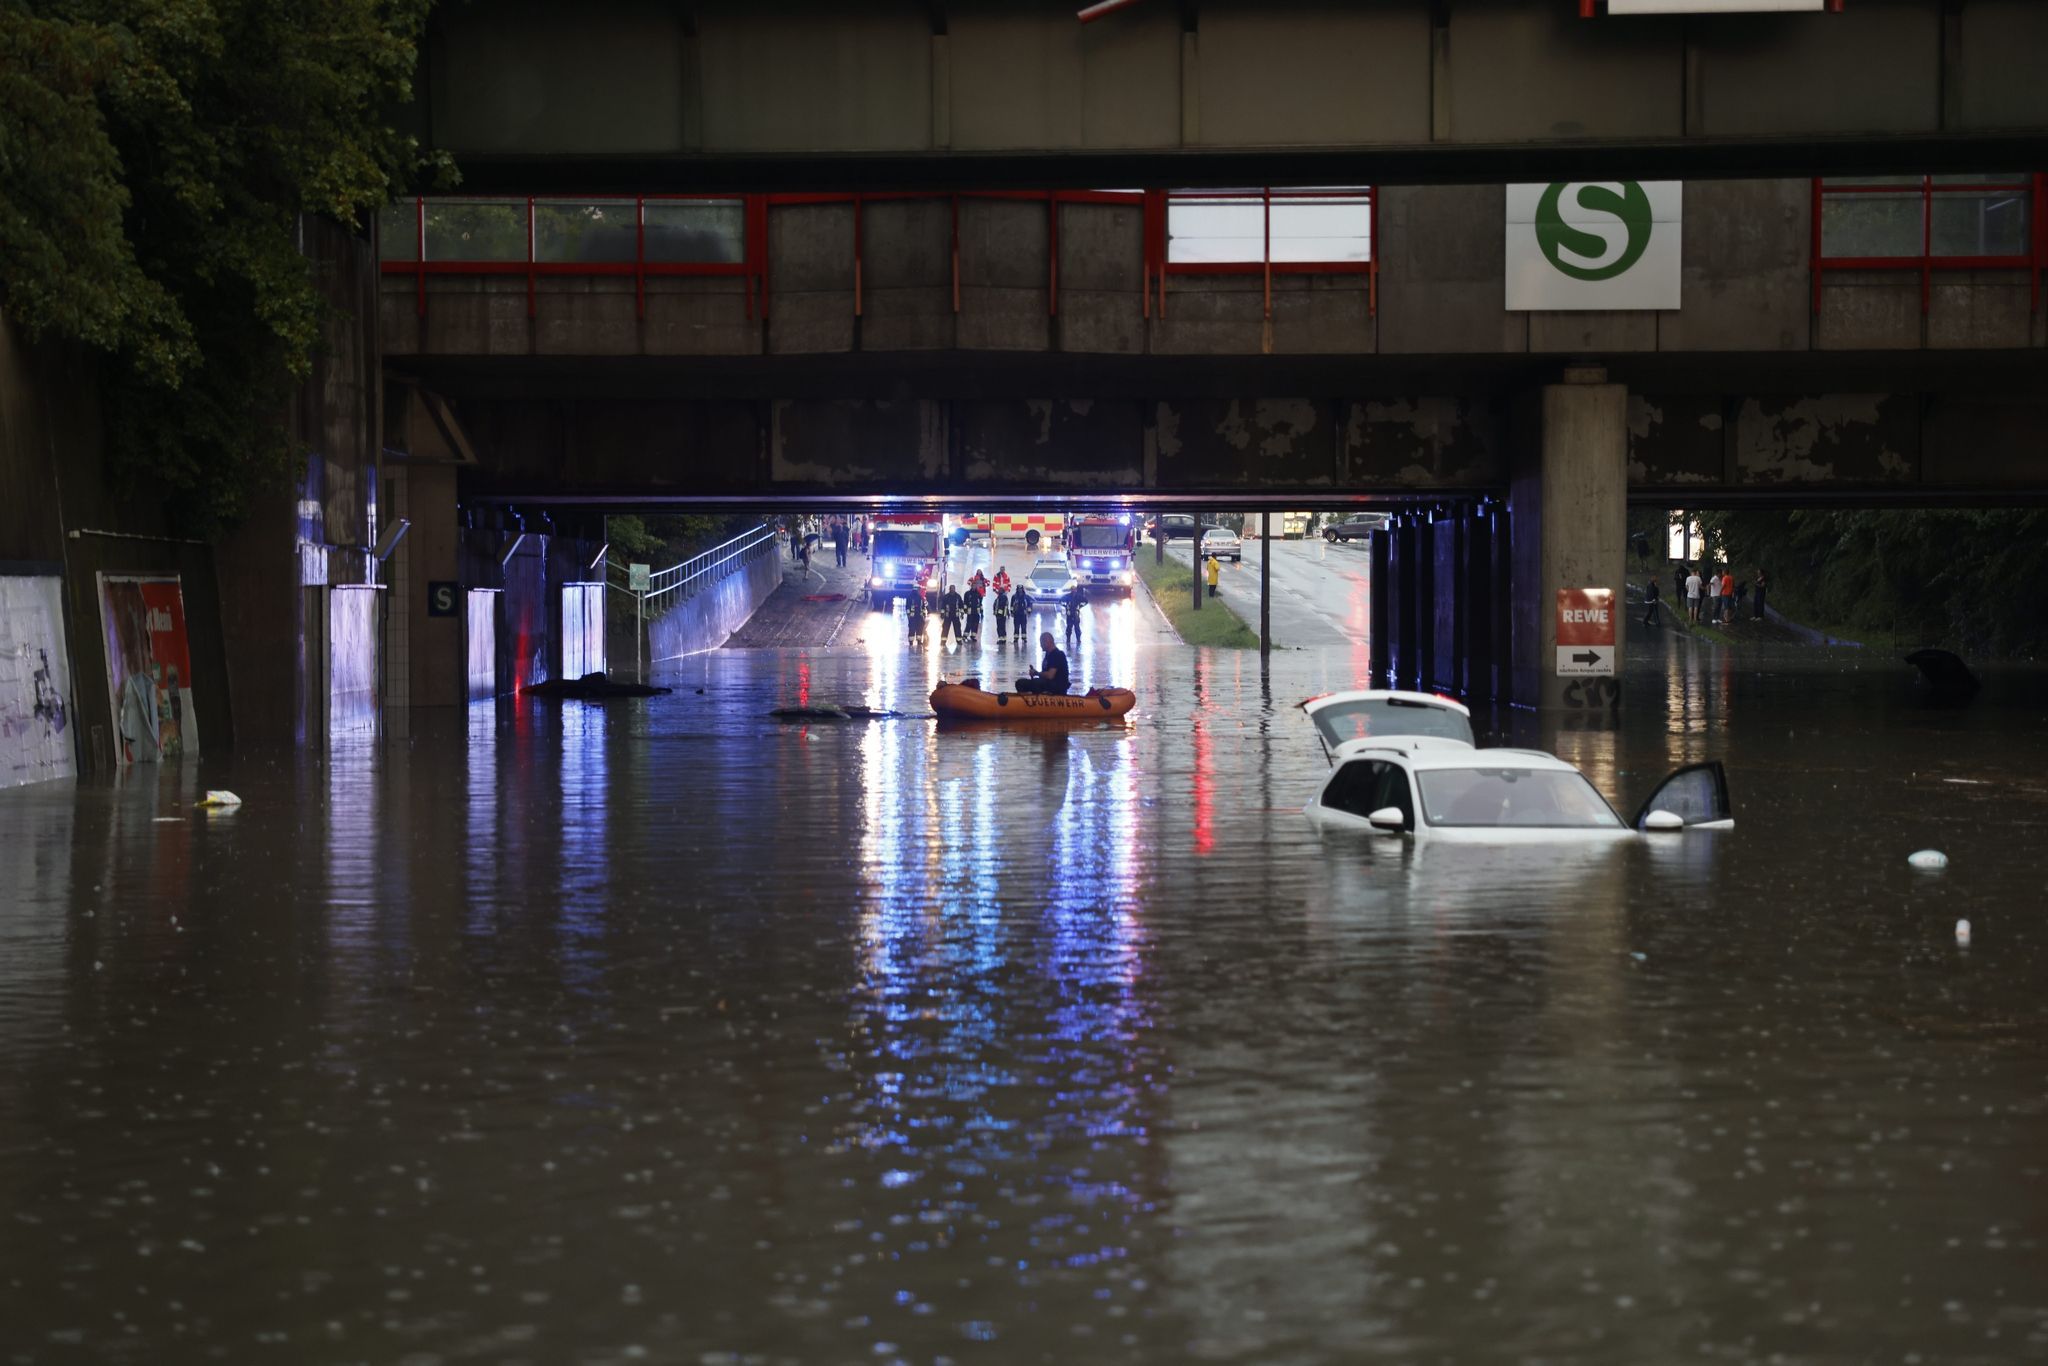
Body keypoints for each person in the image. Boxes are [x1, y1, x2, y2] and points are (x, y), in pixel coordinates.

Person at [1016, 631, 1070, 695]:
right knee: (1021, 683)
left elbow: (1050, 675)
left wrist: (1036, 673)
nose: (1041, 645)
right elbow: (1045, 675)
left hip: (1057, 687)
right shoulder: (1048, 655)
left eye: (1041, 642)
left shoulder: (1057, 655)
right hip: (1049, 684)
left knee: (1025, 684)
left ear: (1047, 642)